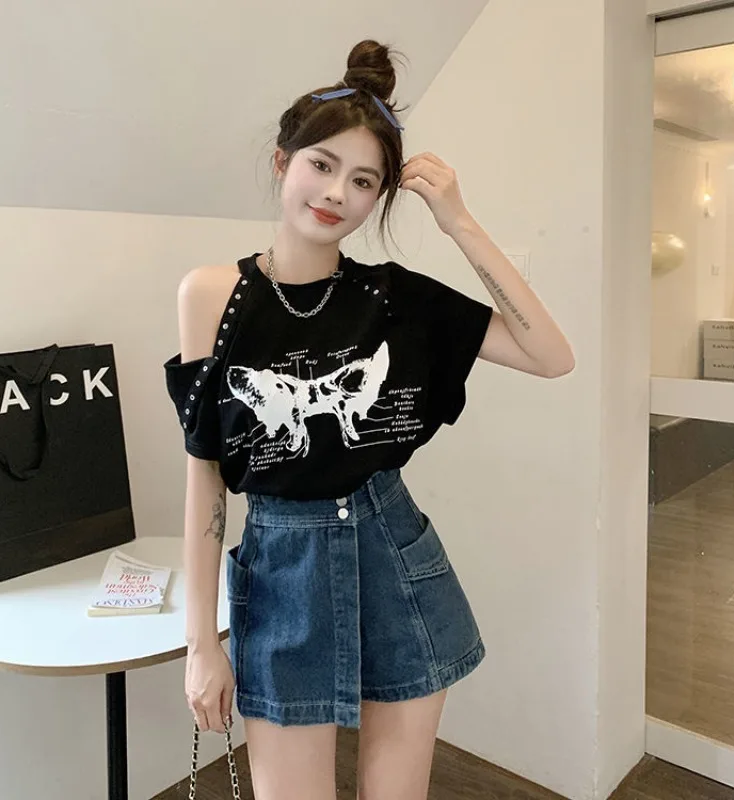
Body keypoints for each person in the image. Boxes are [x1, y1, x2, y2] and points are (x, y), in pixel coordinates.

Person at [164, 38, 574, 800]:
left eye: (363, 181)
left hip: (395, 556)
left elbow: (551, 355)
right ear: (283, 161)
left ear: (379, 198)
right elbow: (205, 478)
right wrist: (201, 643)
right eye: (322, 164)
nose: (336, 193)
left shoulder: (394, 297)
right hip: (282, 569)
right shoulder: (212, 296)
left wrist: (459, 222)